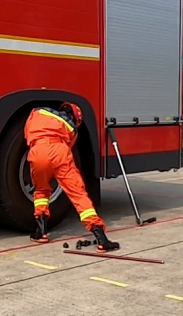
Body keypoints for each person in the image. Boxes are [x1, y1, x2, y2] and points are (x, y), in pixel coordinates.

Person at [24, 103, 119, 251]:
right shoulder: (71, 127)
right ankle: (101, 238)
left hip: (37, 151)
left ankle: (41, 232)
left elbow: (27, 135)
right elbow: (67, 146)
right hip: (60, 152)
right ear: (74, 117)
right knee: (78, 194)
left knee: (41, 190)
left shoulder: (36, 112)